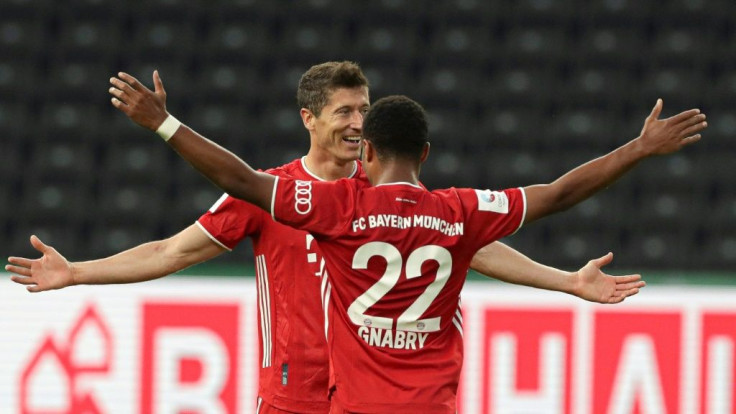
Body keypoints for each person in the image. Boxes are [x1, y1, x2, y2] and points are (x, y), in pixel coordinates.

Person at [8, 62, 648, 413]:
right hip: (292, 394)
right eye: (344, 110)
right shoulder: (272, 193)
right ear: (308, 118)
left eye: (363, 110)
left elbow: (475, 250)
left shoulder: (388, 202)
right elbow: (172, 251)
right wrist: (78, 272)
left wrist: (563, 280)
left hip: (366, 394)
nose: (356, 121)